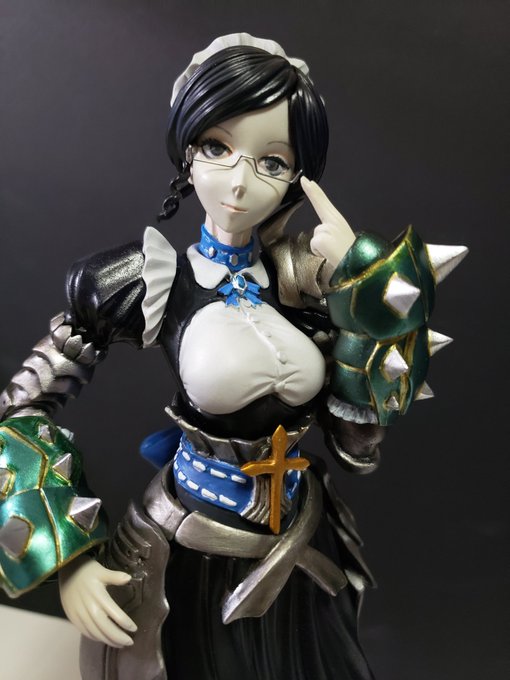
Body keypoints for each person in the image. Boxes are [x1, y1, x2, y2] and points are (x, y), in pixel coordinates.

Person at [0, 34, 466, 680]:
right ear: (187, 150)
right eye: (218, 147)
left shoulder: (303, 277)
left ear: (298, 177)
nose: (241, 181)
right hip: (189, 546)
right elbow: (21, 409)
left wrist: (361, 290)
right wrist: (66, 555)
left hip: (301, 534)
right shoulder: (147, 280)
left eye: (272, 161)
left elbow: (358, 446)